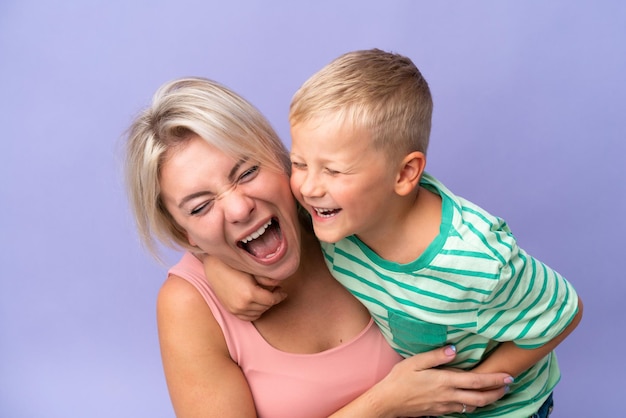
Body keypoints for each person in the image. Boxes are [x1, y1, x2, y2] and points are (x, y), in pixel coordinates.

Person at [211, 49, 583, 417]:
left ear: (404, 174)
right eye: (299, 163)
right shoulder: (331, 215)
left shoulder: (477, 260)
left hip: (508, 411)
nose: (308, 187)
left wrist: (470, 393)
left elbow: (566, 311)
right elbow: (248, 221)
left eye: (334, 171)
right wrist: (218, 268)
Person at [124, 76, 513, 418]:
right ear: (184, 234)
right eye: (202, 206)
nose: (240, 208)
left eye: (247, 172)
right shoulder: (190, 307)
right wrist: (383, 405)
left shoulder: (350, 214)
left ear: (282, 161)